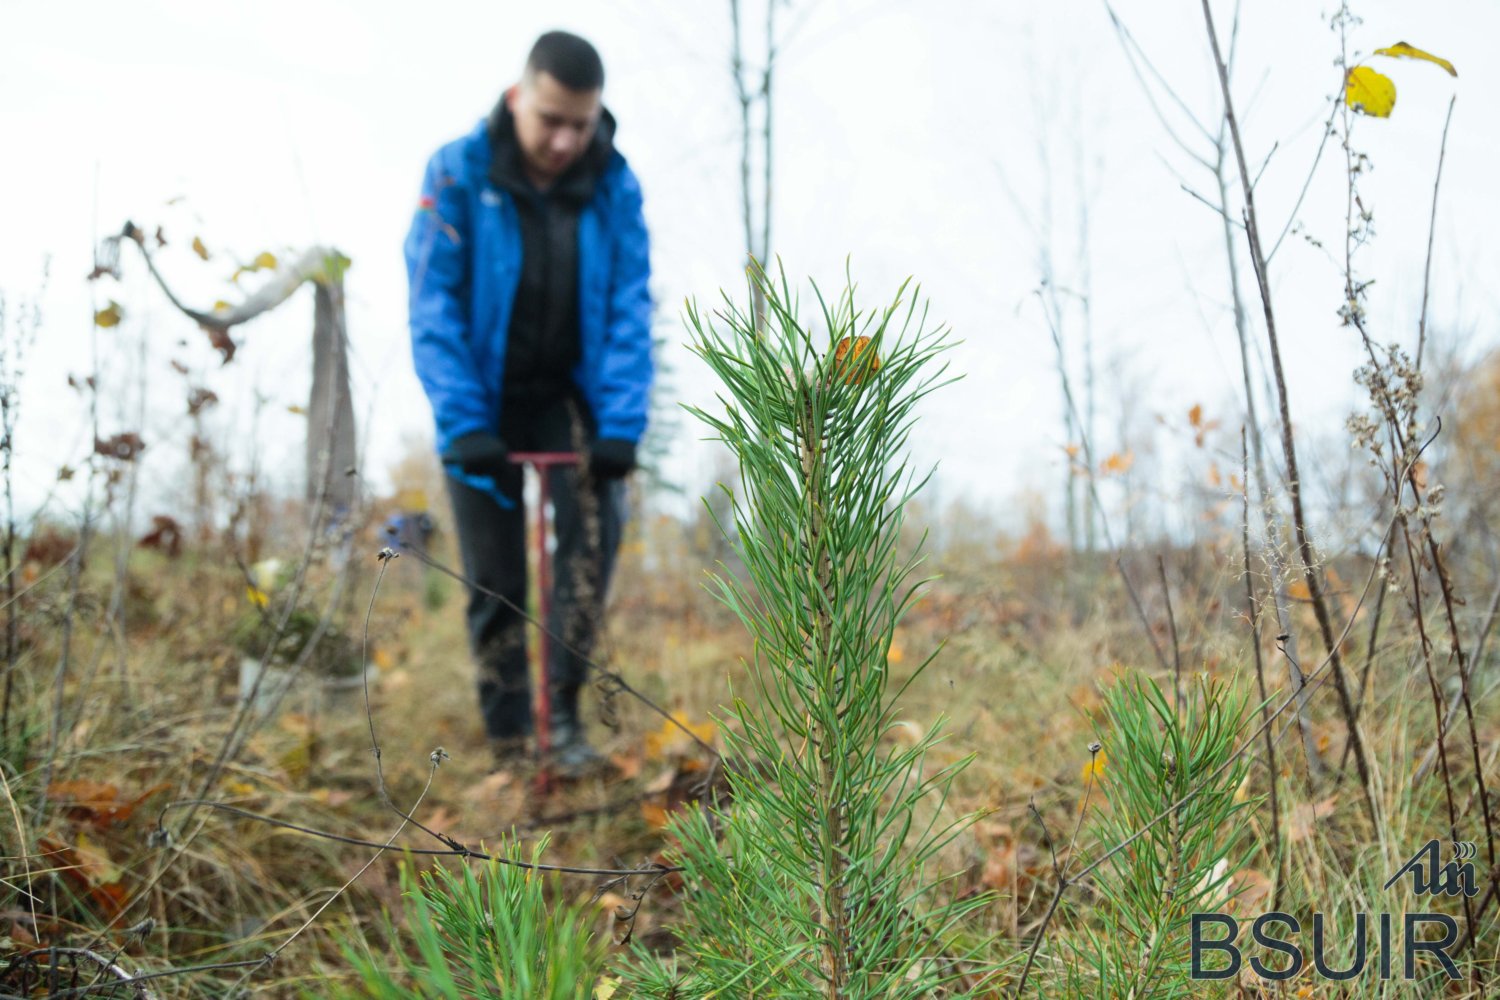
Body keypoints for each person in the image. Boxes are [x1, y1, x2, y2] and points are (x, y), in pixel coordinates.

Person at [404, 30, 653, 775]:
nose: (566, 139)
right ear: (519, 96)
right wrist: (464, 421)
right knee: (497, 578)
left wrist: (619, 426)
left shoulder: (614, 182)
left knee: (586, 560)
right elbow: (433, 302)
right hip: (481, 400)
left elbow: (628, 309)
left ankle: (565, 729)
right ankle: (513, 741)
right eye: (552, 119)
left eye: (581, 123)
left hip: (568, 401)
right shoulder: (456, 171)